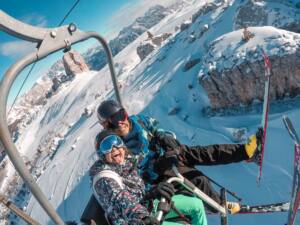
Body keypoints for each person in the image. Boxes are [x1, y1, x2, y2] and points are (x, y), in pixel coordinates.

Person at [96, 100, 262, 213]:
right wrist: (157, 168)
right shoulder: (116, 148)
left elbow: (156, 127)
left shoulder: (139, 121)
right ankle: (220, 205)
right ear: (106, 126)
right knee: (197, 179)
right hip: (158, 174)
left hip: (168, 153)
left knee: (200, 153)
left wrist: (164, 137)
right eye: (112, 122)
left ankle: (247, 151)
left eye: (121, 116)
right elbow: (135, 178)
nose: (120, 123)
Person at [90, 130, 208, 225]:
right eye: (107, 146)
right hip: (134, 220)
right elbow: (121, 200)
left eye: (116, 142)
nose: (114, 148)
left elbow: (140, 186)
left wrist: (153, 191)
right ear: (101, 154)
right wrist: (142, 217)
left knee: (196, 205)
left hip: (148, 205)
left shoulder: (127, 163)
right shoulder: (103, 178)